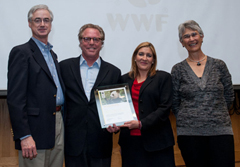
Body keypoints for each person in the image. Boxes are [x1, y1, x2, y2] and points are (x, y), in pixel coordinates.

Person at [7, 4, 65, 167]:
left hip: (57, 123)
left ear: (51, 25)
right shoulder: (22, 52)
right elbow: (15, 99)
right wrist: (24, 135)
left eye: (46, 20)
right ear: (29, 23)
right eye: (37, 20)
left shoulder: (52, 55)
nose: (42, 24)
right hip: (34, 130)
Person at [171, 20, 235, 167]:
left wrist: (215, 115)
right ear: (181, 42)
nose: (191, 39)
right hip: (190, 134)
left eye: (194, 34)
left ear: (202, 36)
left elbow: (229, 96)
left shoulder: (219, 65)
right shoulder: (177, 69)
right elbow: (175, 102)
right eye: (186, 36)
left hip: (220, 131)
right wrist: (190, 119)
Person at [59, 23, 121, 167]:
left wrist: (116, 124)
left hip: (101, 142)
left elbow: (117, 106)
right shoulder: (64, 67)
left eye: (96, 39)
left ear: (102, 44)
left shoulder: (113, 72)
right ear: (80, 42)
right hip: (72, 141)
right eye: (87, 39)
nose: (91, 43)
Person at [119, 42, 175, 167]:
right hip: (130, 142)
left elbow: (165, 108)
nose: (144, 58)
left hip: (158, 142)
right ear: (135, 57)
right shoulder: (124, 79)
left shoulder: (163, 78)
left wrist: (141, 124)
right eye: (141, 54)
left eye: (149, 55)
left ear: (153, 60)